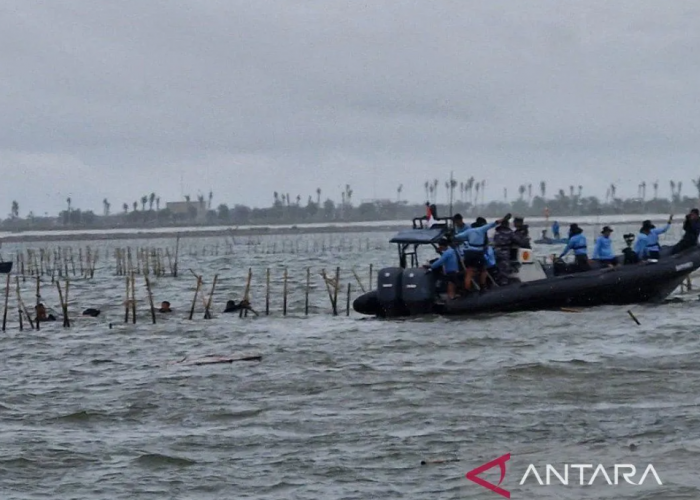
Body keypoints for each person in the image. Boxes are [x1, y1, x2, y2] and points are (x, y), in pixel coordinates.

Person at [454, 215, 506, 292]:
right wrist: (504, 219)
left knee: (469, 272)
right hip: (477, 253)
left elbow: (457, 236)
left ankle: (466, 290)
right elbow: (494, 223)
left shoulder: (468, 231)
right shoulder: (481, 229)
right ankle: (483, 287)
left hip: (468, 253)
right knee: (483, 270)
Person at [492, 219, 516, 285]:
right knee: (505, 267)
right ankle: (504, 283)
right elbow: (517, 240)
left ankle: (496, 281)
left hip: (496, 251)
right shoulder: (509, 232)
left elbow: (494, 240)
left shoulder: (496, 232)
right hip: (504, 251)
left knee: (498, 267)